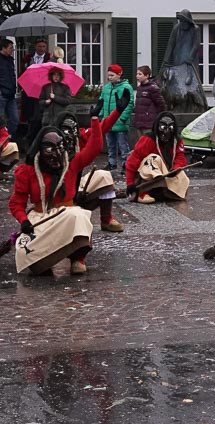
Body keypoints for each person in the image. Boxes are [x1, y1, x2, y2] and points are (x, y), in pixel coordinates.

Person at [9, 122, 102, 276]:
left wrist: (95, 120)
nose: (56, 153)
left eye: (60, 147)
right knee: (27, 255)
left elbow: (94, 148)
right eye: (50, 149)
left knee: (77, 216)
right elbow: (16, 203)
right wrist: (24, 221)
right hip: (40, 218)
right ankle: (46, 260)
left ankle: (77, 258)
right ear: (40, 150)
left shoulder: (71, 163)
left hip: (67, 214)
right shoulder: (28, 171)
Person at [59, 102, 126, 233]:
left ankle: (106, 219)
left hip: (77, 190)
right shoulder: (49, 151)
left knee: (104, 176)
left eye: (72, 131)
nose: (69, 137)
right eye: (65, 130)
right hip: (55, 200)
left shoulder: (80, 139)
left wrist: (117, 111)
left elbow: (101, 129)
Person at [125, 112, 189, 204]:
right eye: (163, 127)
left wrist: (175, 169)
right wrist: (130, 183)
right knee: (153, 159)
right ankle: (143, 192)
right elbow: (133, 161)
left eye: (170, 128)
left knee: (181, 173)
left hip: (167, 172)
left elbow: (180, 157)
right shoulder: (148, 140)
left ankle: (165, 191)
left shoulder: (177, 141)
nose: (166, 131)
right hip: (145, 175)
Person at [99, 64, 134, 172]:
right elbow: (101, 102)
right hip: (108, 121)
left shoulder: (126, 87)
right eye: (108, 75)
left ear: (119, 75)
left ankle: (125, 164)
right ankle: (112, 163)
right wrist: (101, 115)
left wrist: (123, 118)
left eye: (112, 75)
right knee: (110, 145)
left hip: (120, 121)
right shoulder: (106, 88)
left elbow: (129, 104)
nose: (109, 78)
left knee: (123, 145)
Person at [34, 65, 73, 133]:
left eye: (58, 75)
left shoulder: (65, 88)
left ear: (61, 76)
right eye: (54, 74)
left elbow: (67, 101)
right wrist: (46, 102)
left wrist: (55, 97)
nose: (56, 77)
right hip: (47, 118)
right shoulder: (46, 87)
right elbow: (40, 101)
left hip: (60, 117)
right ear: (51, 76)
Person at [131, 65, 166, 136]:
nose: (137, 76)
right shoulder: (139, 88)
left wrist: (154, 117)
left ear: (146, 76)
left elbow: (161, 104)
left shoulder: (153, 88)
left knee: (148, 142)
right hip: (139, 122)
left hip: (149, 123)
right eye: (137, 74)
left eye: (140, 74)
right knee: (141, 143)